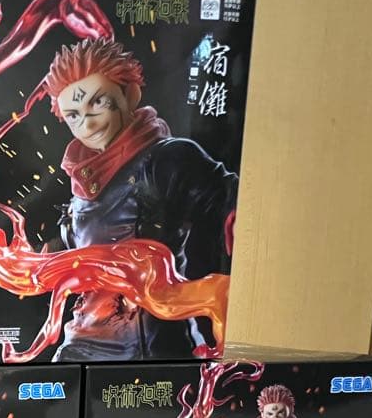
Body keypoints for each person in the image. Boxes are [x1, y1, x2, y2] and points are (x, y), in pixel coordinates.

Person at [42, 38, 238, 361]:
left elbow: (228, 203)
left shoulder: (167, 159)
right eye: (73, 116)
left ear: (130, 94)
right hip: (81, 341)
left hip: (148, 346)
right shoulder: (81, 181)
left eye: (98, 103)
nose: (87, 124)